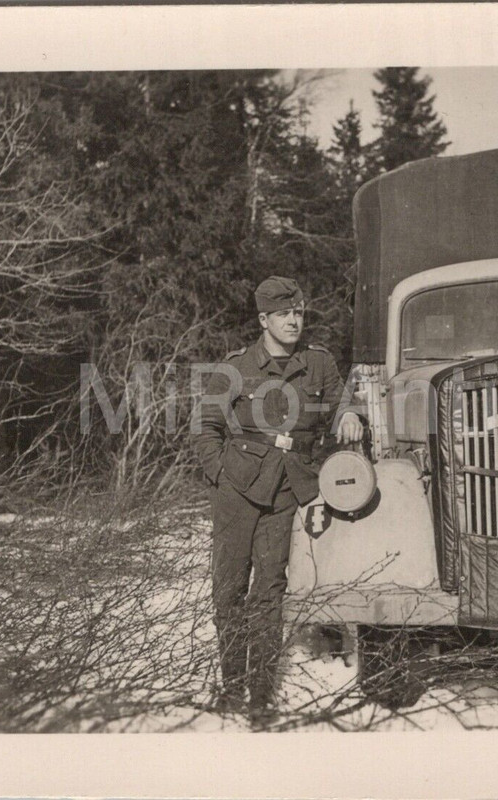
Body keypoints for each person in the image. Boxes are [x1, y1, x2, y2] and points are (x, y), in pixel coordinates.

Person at [194, 276, 364, 724]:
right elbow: (205, 426)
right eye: (284, 314)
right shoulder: (236, 366)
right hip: (237, 489)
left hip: (288, 488)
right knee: (228, 590)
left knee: (269, 592)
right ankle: (231, 687)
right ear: (264, 319)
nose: (294, 321)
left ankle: (260, 695)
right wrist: (220, 475)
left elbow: (346, 401)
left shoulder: (318, 363)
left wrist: (348, 415)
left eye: (299, 313)